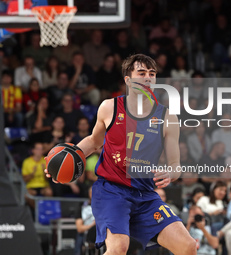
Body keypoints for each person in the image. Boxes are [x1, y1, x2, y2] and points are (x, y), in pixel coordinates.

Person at [45, 54, 197, 254]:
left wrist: (171, 173)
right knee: (118, 248)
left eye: (152, 74)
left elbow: (175, 164)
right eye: (141, 73)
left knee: (188, 246)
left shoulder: (167, 117)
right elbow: (94, 141)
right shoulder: (109, 107)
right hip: (111, 191)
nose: (147, 78)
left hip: (145, 195)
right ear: (128, 79)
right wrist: (64, 162)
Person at [22, 142, 53, 207]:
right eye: (38, 149)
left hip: (43, 185)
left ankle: (45, 209)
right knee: (27, 195)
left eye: (41, 149)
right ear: (33, 150)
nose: (40, 151)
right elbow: (25, 180)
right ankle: (37, 210)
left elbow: (48, 179)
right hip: (31, 186)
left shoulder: (45, 160)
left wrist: (44, 172)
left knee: (49, 192)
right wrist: (32, 174)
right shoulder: (27, 162)